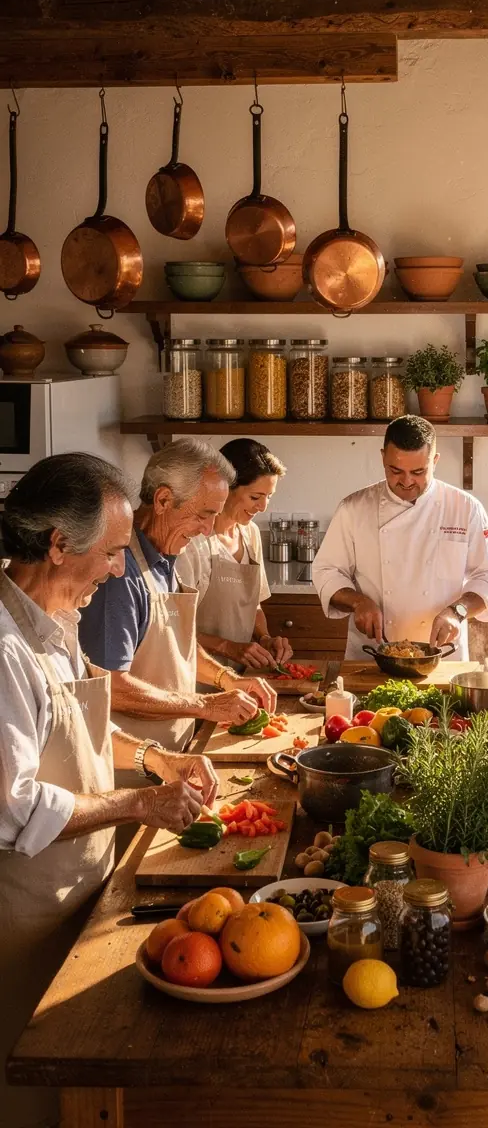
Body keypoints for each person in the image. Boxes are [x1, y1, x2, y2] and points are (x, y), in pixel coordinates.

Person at [0, 453, 218, 1128]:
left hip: (81, 896)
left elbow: (80, 733)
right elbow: (13, 808)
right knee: (38, 1095)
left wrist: (156, 762)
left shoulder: (55, 619)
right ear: (59, 544)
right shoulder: (5, 649)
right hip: (25, 921)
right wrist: (136, 804)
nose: (122, 570)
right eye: (115, 553)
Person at [79, 439, 276, 787]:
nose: (206, 530)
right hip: (133, 774)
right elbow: (112, 687)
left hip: (174, 758)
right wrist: (207, 704)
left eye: (214, 516)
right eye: (203, 515)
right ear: (163, 500)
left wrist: (226, 678)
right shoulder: (119, 576)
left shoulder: (165, 553)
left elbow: (176, 644)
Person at [312, 414, 488, 659]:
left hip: (442, 655)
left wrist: (457, 612)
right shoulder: (354, 508)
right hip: (372, 654)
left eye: (418, 471)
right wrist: (358, 603)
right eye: (395, 470)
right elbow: (326, 571)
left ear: (434, 461)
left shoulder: (465, 508)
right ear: (383, 457)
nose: (406, 481)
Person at [176, 439, 293, 673]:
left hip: (243, 676)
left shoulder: (250, 534)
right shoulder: (192, 544)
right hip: (199, 678)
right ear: (225, 487)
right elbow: (174, 627)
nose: (263, 507)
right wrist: (228, 647)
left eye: (269, 496)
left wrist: (265, 638)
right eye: (255, 497)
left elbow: (253, 604)